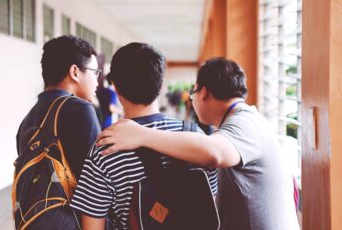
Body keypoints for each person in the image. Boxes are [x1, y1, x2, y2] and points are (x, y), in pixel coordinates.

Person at [97, 58, 300, 230]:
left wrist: (141, 134)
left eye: (192, 94)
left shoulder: (245, 123)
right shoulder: (246, 119)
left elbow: (214, 152)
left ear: (203, 93)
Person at [70, 42, 218, 229]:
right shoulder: (196, 138)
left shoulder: (105, 149)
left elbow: (92, 227)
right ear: (161, 83)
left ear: (115, 86)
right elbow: (210, 209)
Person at [16, 35, 101, 199]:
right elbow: (96, 183)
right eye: (95, 72)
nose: (97, 81)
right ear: (74, 72)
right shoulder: (81, 110)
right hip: (71, 220)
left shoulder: (27, 120)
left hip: (35, 220)